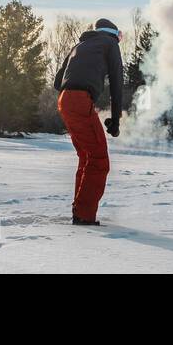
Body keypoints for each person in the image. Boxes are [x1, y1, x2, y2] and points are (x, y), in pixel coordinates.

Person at [53, 18, 124, 226]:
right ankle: (84, 215)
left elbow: (58, 82)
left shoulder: (79, 45)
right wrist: (116, 120)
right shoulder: (110, 44)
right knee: (99, 159)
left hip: (64, 100)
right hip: (79, 99)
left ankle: (80, 210)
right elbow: (117, 82)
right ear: (113, 34)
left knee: (86, 156)